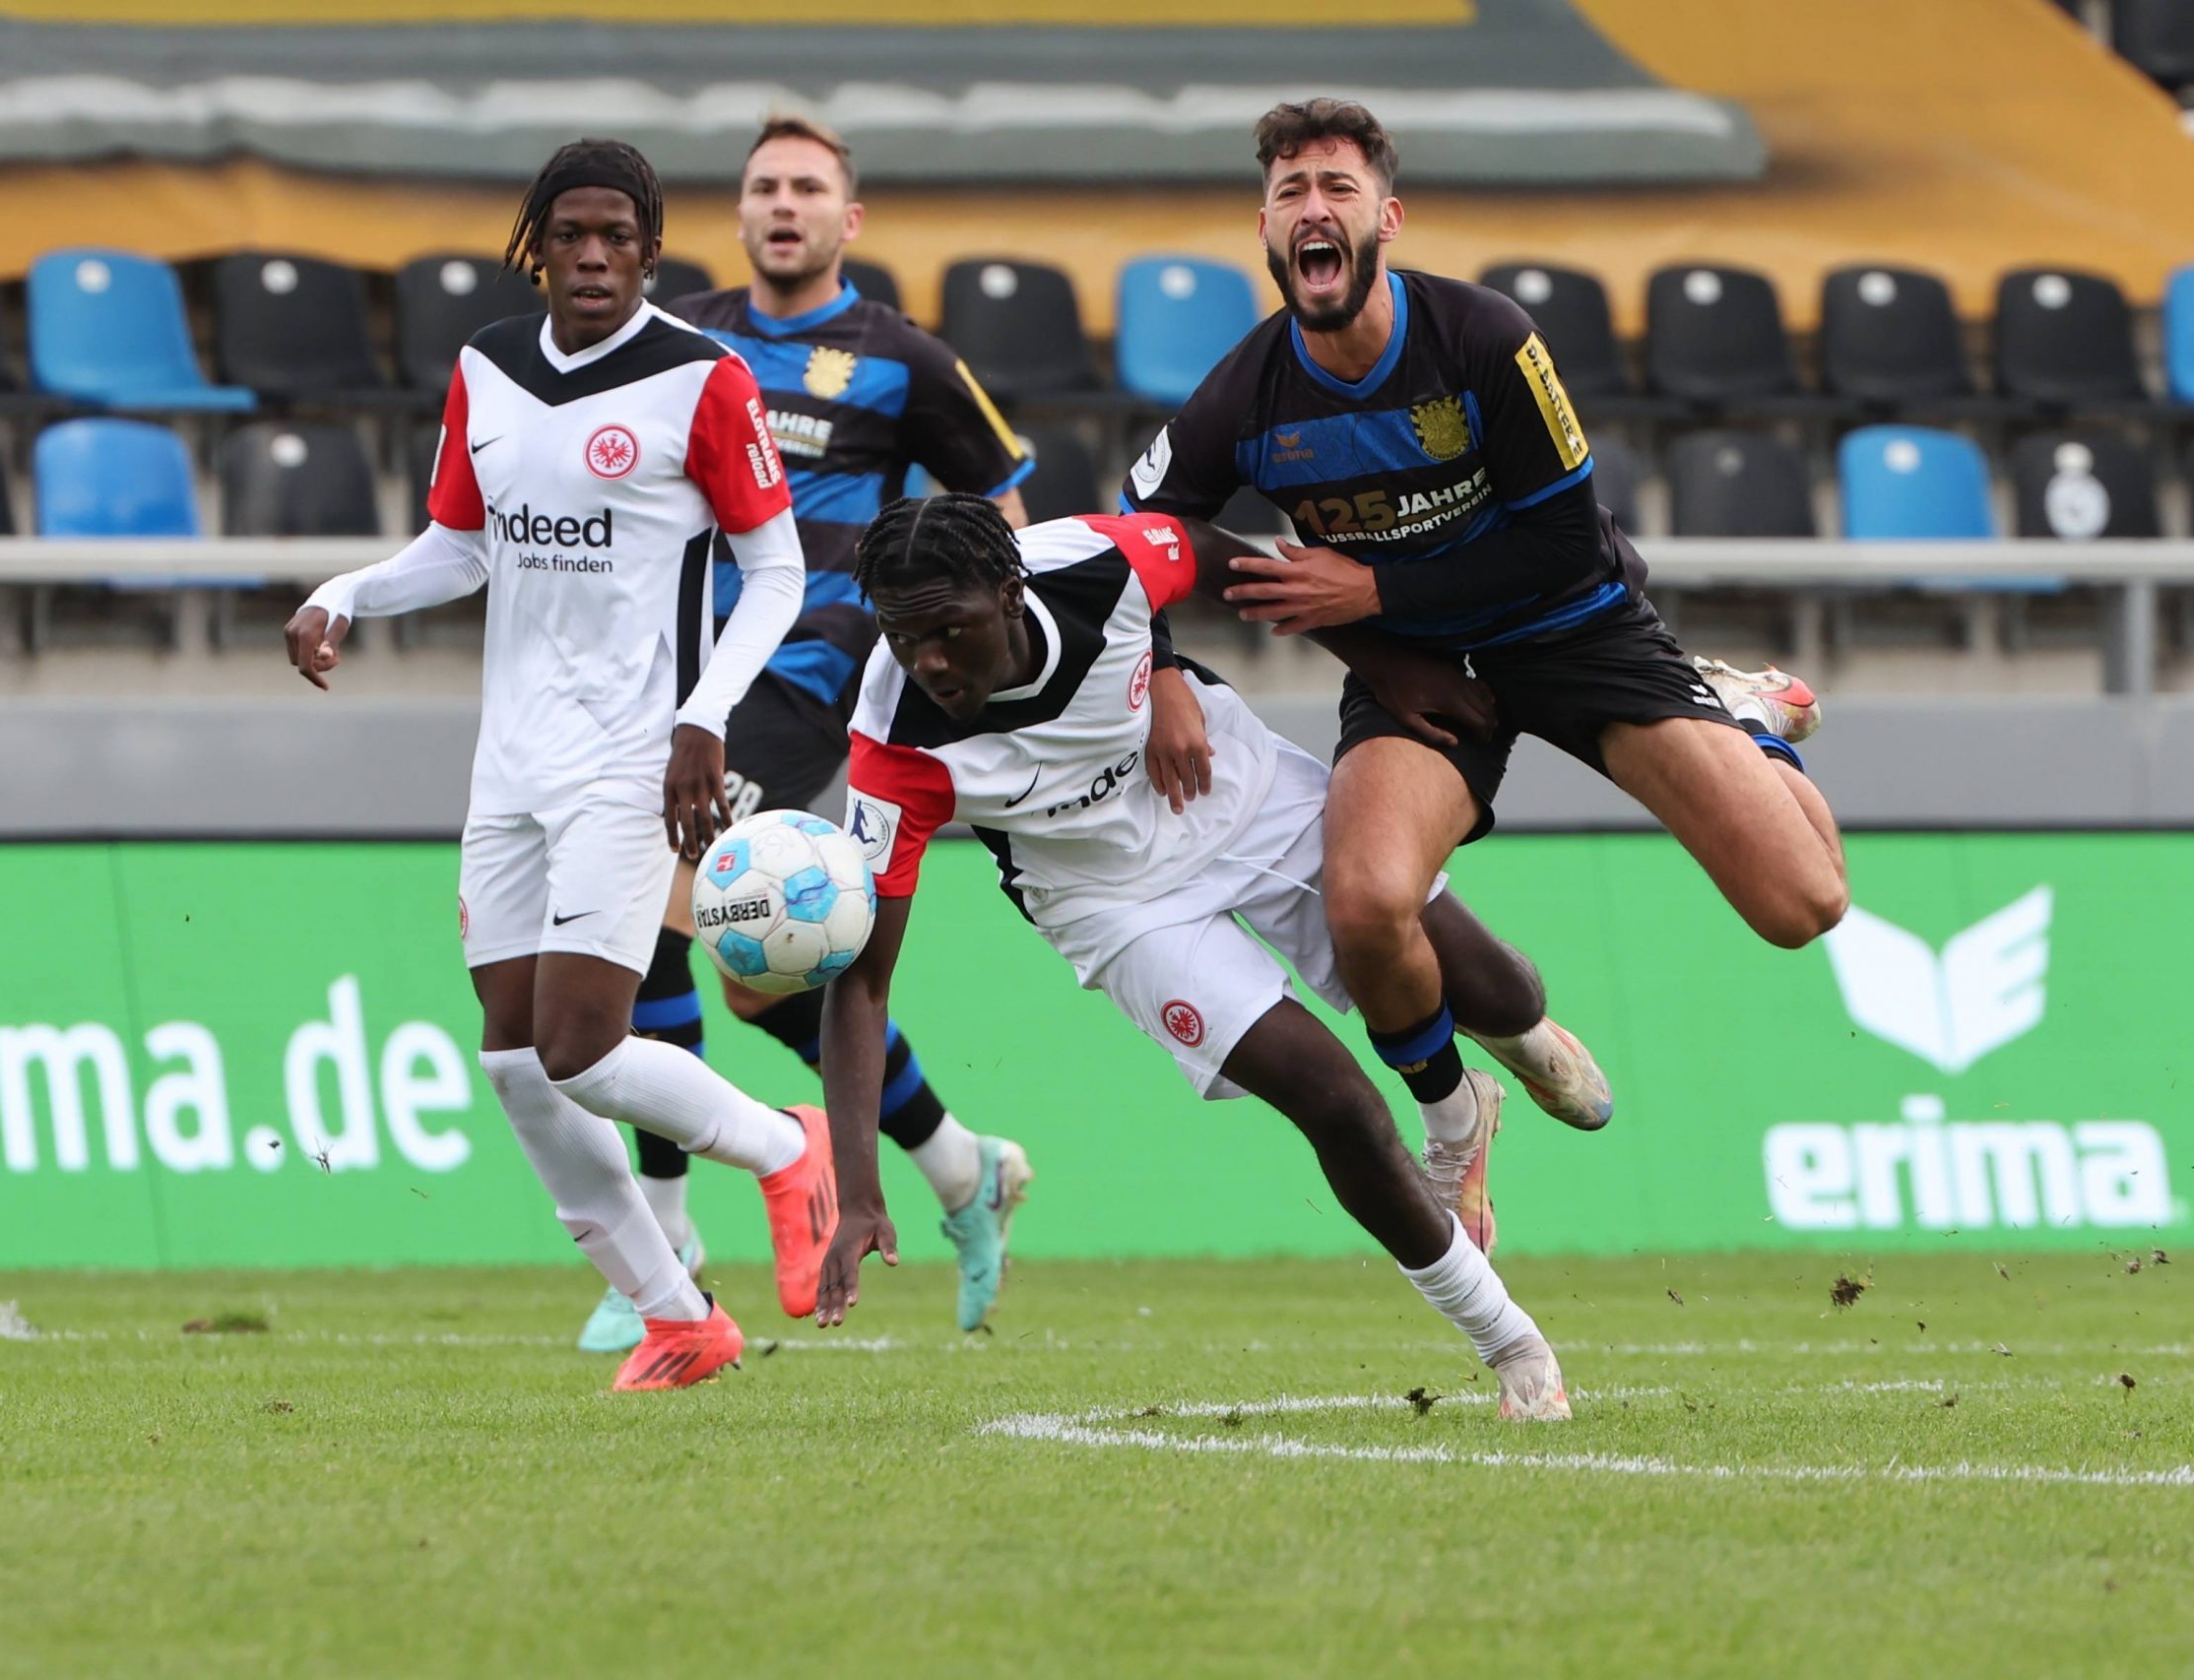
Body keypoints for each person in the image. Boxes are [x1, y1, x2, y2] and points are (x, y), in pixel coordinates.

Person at [1124, 99, 1847, 1173]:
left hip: (1575, 629)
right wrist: (1168, 673)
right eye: (1289, 192)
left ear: (1386, 218)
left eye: (1338, 188)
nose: (1313, 208)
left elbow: (1564, 544)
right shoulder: (1244, 393)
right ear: (1266, 228)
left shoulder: (1485, 338)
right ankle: (1456, 1126)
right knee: (1365, 905)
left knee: (1803, 906)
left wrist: (1371, 588)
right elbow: (1137, 530)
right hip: (1421, 664)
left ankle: (1744, 724)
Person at [811, 494, 1601, 1422]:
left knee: (1495, 992)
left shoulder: (1097, 562)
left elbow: (1221, 560)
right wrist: (858, 1191)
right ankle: (1511, 1344)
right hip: (1115, 904)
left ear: (1011, 592)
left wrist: (1368, 667)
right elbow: (862, 982)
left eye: (951, 630)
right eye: (906, 638)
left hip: (1242, 795)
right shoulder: (895, 740)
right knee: (1336, 1101)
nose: (931, 662)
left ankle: (1493, 1071)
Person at [282, 138, 838, 1394]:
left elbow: (778, 570)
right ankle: (675, 1313)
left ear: (651, 251)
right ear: (536, 248)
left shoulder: (704, 379)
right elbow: (461, 544)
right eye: (570, 235)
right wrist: (349, 590)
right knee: (512, 1059)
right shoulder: (486, 366)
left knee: (582, 1047)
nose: (593, 257)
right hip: (512, 763)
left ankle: (782, 1143)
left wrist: (704, 716)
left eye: (617, 237)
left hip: (634, 759)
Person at [569, 115, 1053, 1353]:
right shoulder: (681, 338)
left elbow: (1006, 519)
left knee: (646, 921)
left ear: (850, 219)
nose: (785, 205)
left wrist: (996, 670)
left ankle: (663, 1248)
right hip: (671, 680)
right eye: (765, 187)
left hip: (802, 674)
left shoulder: (905, 360)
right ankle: (962, 1166)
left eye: (808, 187)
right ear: (736, 214)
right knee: (756, 980)